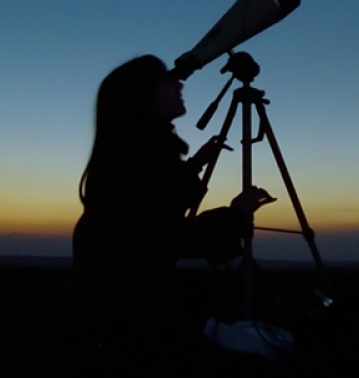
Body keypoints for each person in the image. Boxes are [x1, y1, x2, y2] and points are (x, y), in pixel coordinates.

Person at [71, 54, 273, 370]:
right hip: (130, 320)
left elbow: (158, 202)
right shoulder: (136, 161)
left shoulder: (134, 155)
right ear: (141, 96)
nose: (178, 84)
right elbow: (164, 235)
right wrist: (235, 216)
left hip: (121, 308)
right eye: (166, 79)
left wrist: (196, 164)